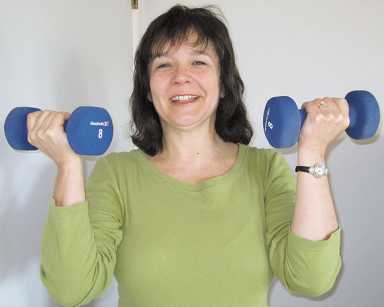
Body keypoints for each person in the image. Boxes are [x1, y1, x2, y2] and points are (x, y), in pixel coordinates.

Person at [31, 4, 347, 307]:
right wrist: (68, 164)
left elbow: (310, 279)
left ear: (223, 83)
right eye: (164, 64)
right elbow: (72, 288)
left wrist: (313, 151)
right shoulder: (116, 174)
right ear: (147, 90)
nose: (181, 76)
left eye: (199, 62)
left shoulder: (265, 170)